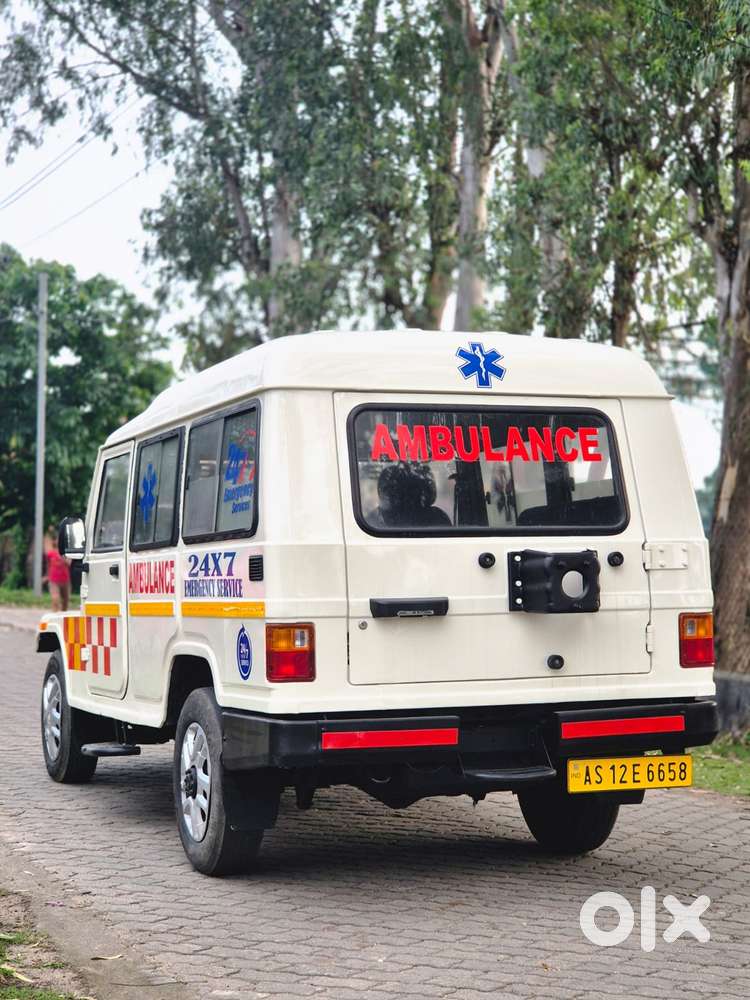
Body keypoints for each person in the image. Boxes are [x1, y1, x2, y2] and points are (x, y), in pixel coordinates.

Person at [368, 463, 451, 529]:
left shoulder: (436, 517)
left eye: (414, 489)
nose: (392, 495)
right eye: (388, 490)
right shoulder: (374, 520)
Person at [43, 527, 71, 612]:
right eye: (56, 540)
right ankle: (55, 615)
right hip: (54, 581)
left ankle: (63, 616)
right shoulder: (51, 553)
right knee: (55, 599)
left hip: (65, 580)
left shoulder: (66, 553)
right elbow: (48, 565)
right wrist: (47, 576)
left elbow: (69, 563)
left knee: (65, 601)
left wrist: (62, 556)